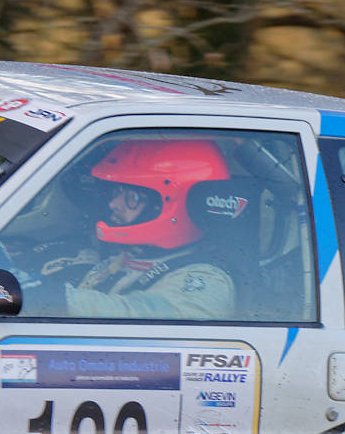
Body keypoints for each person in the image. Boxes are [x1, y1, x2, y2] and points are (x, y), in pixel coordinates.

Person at [58, 137, 238, 321]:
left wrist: (62, 300)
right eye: (117, 192)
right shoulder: (124, 259)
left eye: (133, 198)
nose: (114, 204)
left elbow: (149, 319)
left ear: (172, 206)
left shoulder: (205, 280)